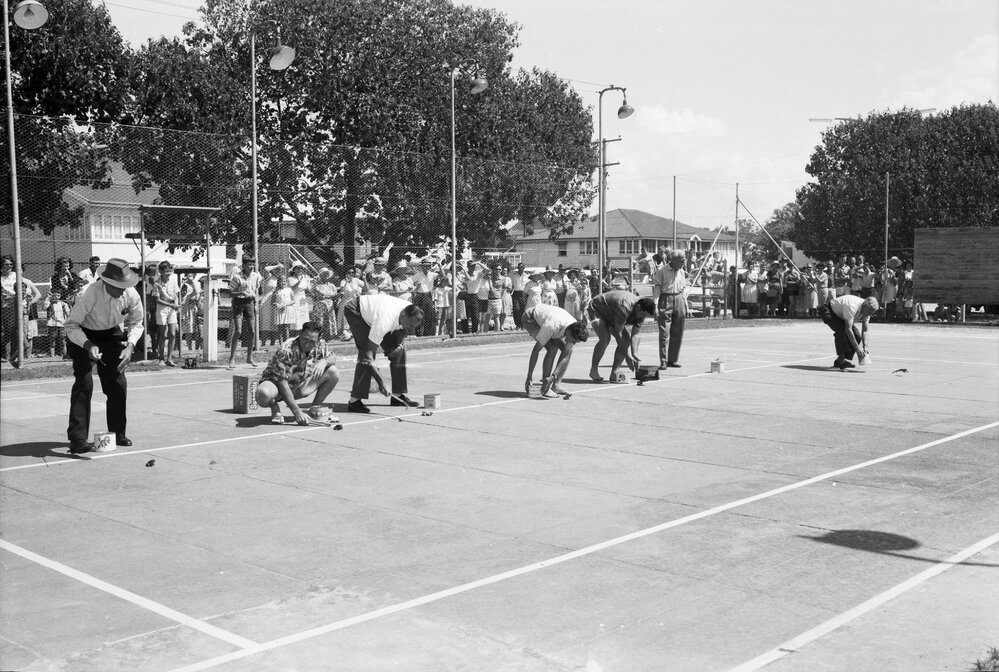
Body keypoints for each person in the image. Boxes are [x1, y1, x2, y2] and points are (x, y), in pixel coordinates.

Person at [64, 259, 144, 454]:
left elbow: (137, 322)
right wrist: (88, 344)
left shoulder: (131, 294)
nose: (123, 290)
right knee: (84, 383)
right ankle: (78, 438)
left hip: (111, 336)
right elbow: (71, 325)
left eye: (126, 286)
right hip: (84, 334)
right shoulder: (88, 294)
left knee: (117, 383)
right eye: (119, 287)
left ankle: (118, 432)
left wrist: (130, 346)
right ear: (106, 282)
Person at [342, 293, 423, 413]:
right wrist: (381, 383)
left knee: (400, 352)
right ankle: (354, 401)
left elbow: (400, 335)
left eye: (415, 327)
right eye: (410, 326)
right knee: (366, 352)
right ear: (403, 316)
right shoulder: (385, 321)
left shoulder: (410, 311)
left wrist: (396, 347)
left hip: (378, 313)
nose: (412, 330)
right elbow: (367, 357)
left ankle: (397, 396)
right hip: (356, 311)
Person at [255, 320, 340, 425]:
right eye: (305, 339)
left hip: (299, 386)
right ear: (300, 334)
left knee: (333, 372)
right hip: (277, 387)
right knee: (262, 394)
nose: (307, 344)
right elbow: (282, 383)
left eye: (312, 341)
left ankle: (314, 409)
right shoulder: (286, 349)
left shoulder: (321, 344)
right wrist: (297, 412)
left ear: (318, 340)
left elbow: (333, 357)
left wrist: (324, 361)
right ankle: (274, 407)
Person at [522, 303, 589, 398]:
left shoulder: (573, 325)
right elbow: (536, 351)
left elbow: (566, 355)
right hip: (531, 319)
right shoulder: (552, 326)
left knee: (569, 351)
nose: (572, 343)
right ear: (569, 333)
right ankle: (546, 388)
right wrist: (529, 377)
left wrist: (553, 376)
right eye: (573, 341)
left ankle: (556, 385)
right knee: (552, 348)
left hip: (548, 319)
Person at [587, 290, 656, 382]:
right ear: (638, 307)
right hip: (597, 308)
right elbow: (617, 333)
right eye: (643, 314)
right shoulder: (625, 307)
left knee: (626, 339)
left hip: (613, 312)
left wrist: (634, 354)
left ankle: (614, 373)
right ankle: (593, 370)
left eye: (645, 316)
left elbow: (636, 333)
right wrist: (627, 356)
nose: (642, 317)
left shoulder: (642, 311)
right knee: (605, 338)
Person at [819, 294, 878, 370]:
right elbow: (848, 329)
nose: (870, 315)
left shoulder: (868, 311)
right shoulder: (852, 305)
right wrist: (858, 349)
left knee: (857, 335)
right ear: (864, 306)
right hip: (830, 311)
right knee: (841, 331)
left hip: (842, 316)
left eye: (872, 313)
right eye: (869, 312)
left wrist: (865, 347)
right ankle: (841, 360)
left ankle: (842, 360)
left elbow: (865, 331)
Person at [652, 250, 688, 369]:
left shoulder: (681, 272)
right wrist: (656, 304)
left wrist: (685, 304)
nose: (684, 262)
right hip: (665, 298)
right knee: (664, 332)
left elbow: (683, 288)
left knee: (678, 331)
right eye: (681, 260)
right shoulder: (662, 271)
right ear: (673, 260)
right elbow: (657, 287)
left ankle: (672, 359)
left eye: (684, 260)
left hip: (679, 299)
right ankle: (663, 360)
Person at [153, 261, 181, 365]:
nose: (168, 273)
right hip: (162, 309)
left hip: (172, 309)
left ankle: (169, 358)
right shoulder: (157, 283)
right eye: (166, 271)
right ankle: (161, 358)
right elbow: (157, 300)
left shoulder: (173, 281)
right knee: (163, 335)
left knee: (173, 334)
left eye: (170, 270)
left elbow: (176, 295)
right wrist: (170, 305)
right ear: (160, 271)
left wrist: (176, 305)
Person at [410, 258, 438, 336]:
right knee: (419, 315)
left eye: (428, 266)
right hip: (420, 295)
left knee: (429, 315)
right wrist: (415, 288)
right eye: (424, 266)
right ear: (422, 266)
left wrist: (439, 264)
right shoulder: (418, 274)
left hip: (428, 295)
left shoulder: (432, 274)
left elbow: (442, 275)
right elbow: (410, 282)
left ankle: (427, 333)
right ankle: (418, 333)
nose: (426, 267)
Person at [45, 291, 71, 358]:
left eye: (58, 295)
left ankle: (64, 354)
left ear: (60, 296)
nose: (56, 297)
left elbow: (68, 314)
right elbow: (45, 307)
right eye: (54, 295)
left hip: (62, 324)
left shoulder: (63, 304)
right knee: (52, 340)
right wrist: (47, 298)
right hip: (52, 324)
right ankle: (52, 355)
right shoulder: (49, 303)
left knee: (63, 341)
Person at [273, 272, 296, 342]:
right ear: (278, 282)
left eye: (285, 281)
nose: (283, 283)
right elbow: (273, 302)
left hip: (287, 309)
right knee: (280, 328)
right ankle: (281, 342)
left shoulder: (289, 290)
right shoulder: (276, 291)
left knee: (286, 327)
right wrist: (278, 305)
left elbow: (293, 300)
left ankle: (287, 342)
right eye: (281, 281)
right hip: (279, 310)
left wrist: (286, 304)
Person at [510, 262, 528, 329]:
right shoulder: (513, 276)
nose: (520, 269)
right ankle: (518, 324)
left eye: (522, 267)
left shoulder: (527, 276)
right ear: (517, 268)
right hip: (516, 293)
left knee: (523, 309)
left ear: (524, 268)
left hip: (523, 293)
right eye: (519, 267)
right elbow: (511, 285)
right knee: (516, 309)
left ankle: (523, 324)